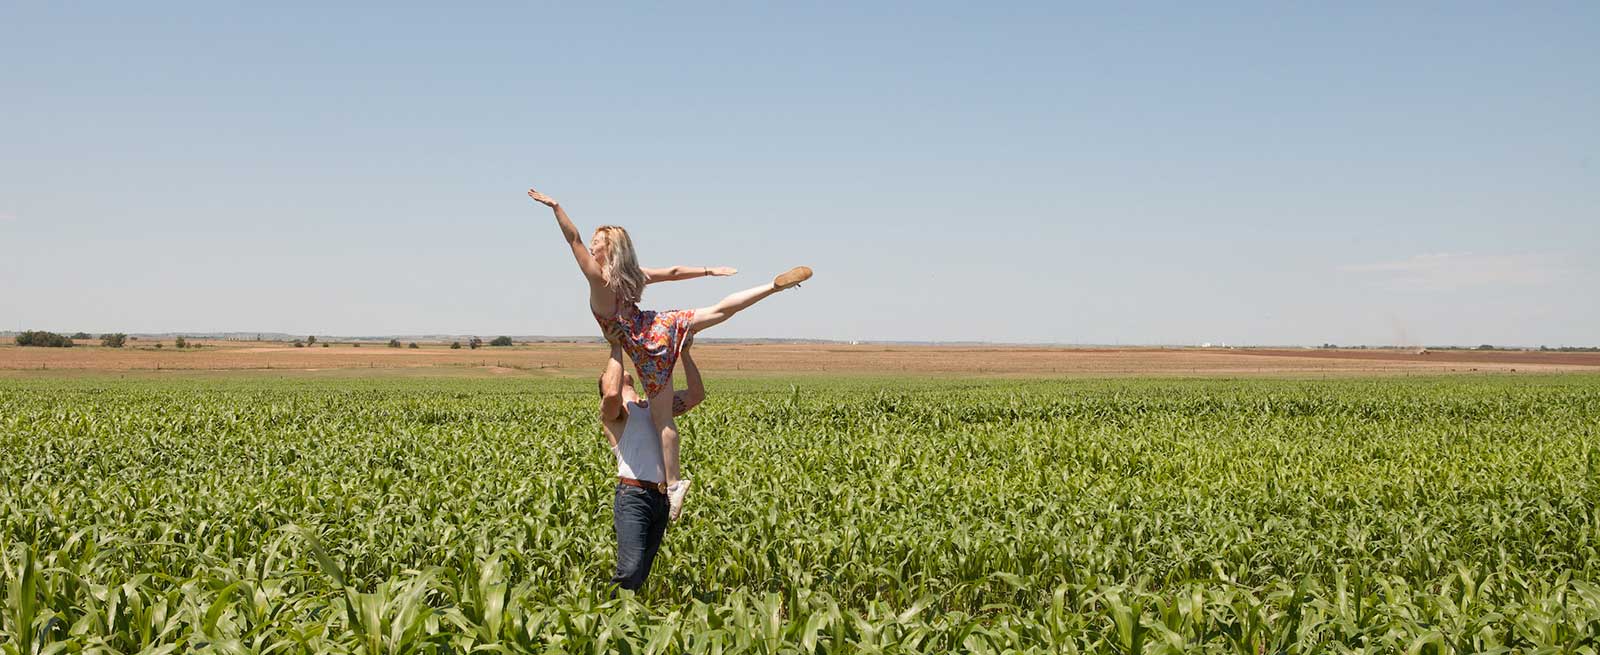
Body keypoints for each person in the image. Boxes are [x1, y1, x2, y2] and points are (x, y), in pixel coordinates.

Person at [529, 187, 810, 519]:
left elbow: (571, 239)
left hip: (644, 348)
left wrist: (556, 207)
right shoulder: (634, 276)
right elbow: (675, 272)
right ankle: (771, 287)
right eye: (593, 240)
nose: (591, 243)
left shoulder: (599, 280)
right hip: (659, 325)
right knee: (718, 311)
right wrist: (709, 270)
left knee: (664, 420)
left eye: (597, 241)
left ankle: (674, 484)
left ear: (607, 249)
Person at [600, 336, 705, 591]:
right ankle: (607, 615)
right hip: (633, 496)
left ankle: (624, 619)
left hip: (661, 498)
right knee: (631, 569)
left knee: (641, 573)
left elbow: (696, 394)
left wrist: (685, 354)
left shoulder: (655, 408)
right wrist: (616, 346)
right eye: (608, 374)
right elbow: (613, 391)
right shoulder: (615, 415)